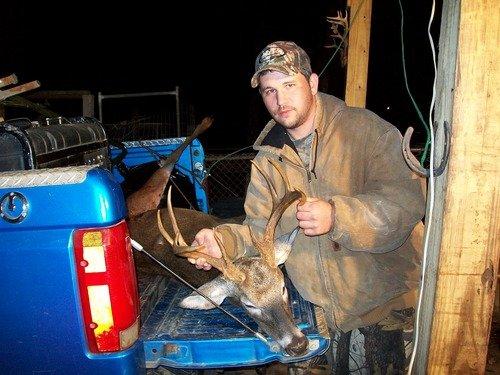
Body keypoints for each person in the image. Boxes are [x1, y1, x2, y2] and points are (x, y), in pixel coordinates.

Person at [191, 41, 425, 373]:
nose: (280, 100)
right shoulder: (267, 161)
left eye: (289, 85)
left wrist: (338, 216)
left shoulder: (367, 132)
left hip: (384, 307)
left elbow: (406, 204)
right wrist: (223, 241)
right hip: (316, 314)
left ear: (312, 83)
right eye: (269, 91)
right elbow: (260, 234)